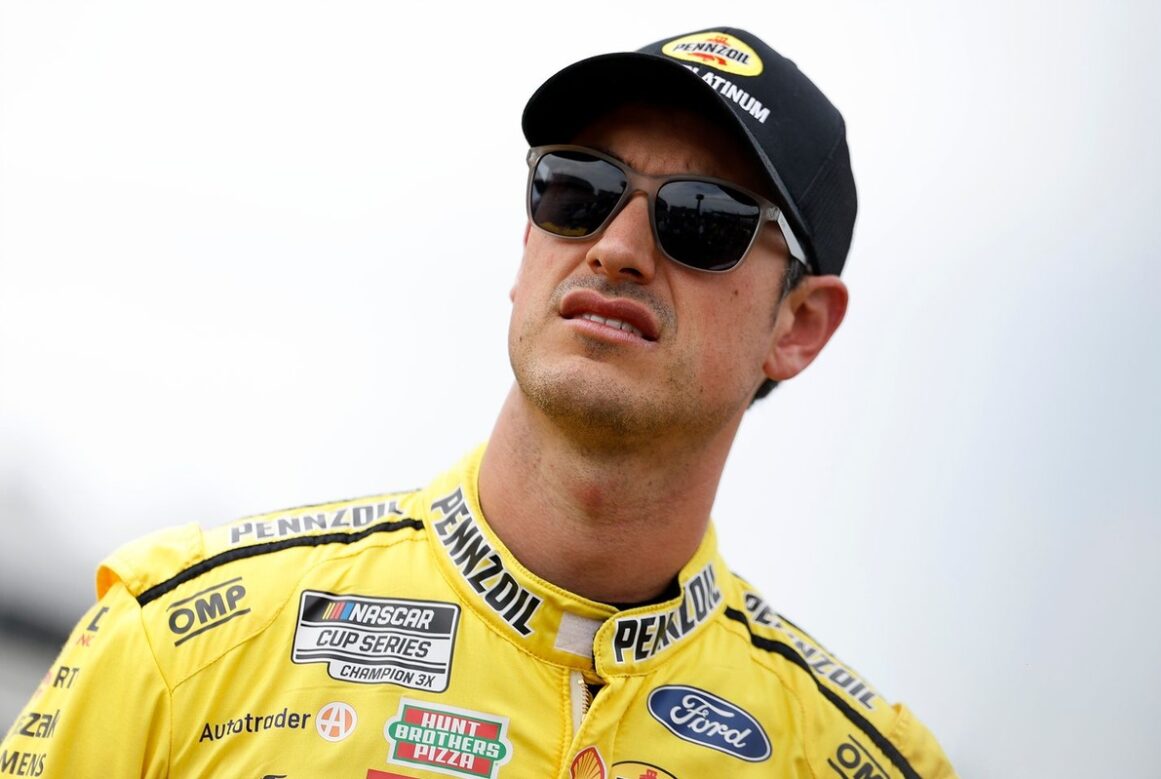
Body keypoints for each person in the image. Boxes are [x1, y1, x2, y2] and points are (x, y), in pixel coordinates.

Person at [1, 27, 957, 779]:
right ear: (526, 242)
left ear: (800, 326)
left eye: (700, 217)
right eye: (576, 189)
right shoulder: (179, 643)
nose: (617, 247)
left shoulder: (865, 762)